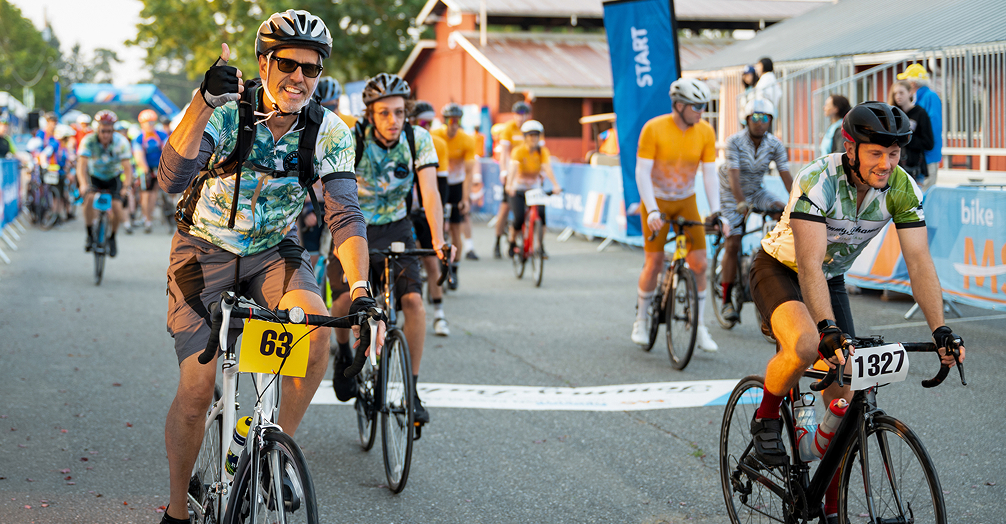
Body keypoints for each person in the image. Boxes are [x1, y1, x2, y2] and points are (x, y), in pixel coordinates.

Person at [155, 10, 382, 524]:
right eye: (288, 64)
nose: (299, 77)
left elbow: (344, 215)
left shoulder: (330, 132)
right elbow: (170, 178)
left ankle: (271, 453)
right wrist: (203, 101)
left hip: (273, 252)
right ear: (263, 63)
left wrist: (363, 290)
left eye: (312, 68)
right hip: (202, 250)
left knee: (317, 330)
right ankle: (175, 511)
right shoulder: (226, 112)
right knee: (197, 387)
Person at [746, 102, 965, 524]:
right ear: (852, 149)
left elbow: (919, 262)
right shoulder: (817, 180)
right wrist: (828, 329)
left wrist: (941, 330)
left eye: (894, 154)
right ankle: (767, 413)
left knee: (844, 401)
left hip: (830, 278)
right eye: (876, 153)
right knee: (809, 344)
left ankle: (830, 508)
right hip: (781, 268)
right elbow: (808, 264)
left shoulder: (902, 188)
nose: (886, 164)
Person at [325, 73, 454, 427]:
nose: (393, 121)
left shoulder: (418, 139)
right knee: (343, 302)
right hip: (355, 225)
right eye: (384, 113)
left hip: (398, 226)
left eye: (399, 112)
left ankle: (411, 389)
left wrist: (439, 239)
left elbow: (430, 193)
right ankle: (343, 356)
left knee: (413, 302)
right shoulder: (353, 138)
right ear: (370, 113)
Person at [630, 78, 722, 352]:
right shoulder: (653, 128)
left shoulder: (705, 131)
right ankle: (641, 321)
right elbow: (642, 172)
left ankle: (700, 326)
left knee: (701, 265)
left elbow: (708, 174)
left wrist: (716, 211)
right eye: (696, 106)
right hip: (656, 201)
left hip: (685, 201)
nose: (701, 111)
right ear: (679, 105)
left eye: (704, 106)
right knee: (654, 263)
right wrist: (652, 209)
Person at [718, 99, 792, 322]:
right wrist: (741, 203)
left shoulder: (775, 144)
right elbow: (733, 175)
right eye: (755, 118)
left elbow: (786, 174)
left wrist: (799, 200)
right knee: (734, 241)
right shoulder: (734, 142)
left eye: (765, 118)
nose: (760, 123)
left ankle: (770, 259)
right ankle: (726, 299)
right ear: (747, 119)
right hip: (732, 192)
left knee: (782, 209)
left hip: (756, 190)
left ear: (771, 120)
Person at [411, 100, 452, 336]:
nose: (426, 128)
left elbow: (441, 186)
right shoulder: (403, 141)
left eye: (430, 123)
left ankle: (439, 314)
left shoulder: (438, 144)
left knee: (431, 260)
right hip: (405, 210)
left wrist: (440, 217)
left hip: (425, 209)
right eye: (422, 123)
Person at [77, 110, 133, 257]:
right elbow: (81, 166)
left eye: (109, 131)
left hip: (113, 177)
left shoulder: (121, 142)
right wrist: (83, 184)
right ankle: (89, 233)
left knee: (116, 206)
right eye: (103, 131)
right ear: (97, 129)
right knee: (88, 199)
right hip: (94, 176)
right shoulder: (88, 140)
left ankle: (112, 237)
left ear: (113, 130)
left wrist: (126, 187)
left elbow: (127, 168)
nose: (106, 135)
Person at [432, 103, 480, 268]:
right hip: (440, 181)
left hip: (457, 185)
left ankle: (455, 266)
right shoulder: (434, 135)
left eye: (457, 121)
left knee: (455, 228)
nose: (453, 125)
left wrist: (465, 198)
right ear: (444, 121)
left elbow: (468, 173)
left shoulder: (467, 140)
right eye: (450, 120)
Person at [505, 119, 562, 255]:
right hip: (518, 188)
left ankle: (540, 246)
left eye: (536, 135)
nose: (533, 138)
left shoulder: (543, 152)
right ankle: (512, 241)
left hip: (535, 189)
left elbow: (547, 168)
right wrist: (509, 184)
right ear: (525, 137)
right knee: (518, 218)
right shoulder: (518, 151)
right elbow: (513, 167)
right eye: (530, 135)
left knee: (541, 216)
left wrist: (555, 185)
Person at [492, 101, 531, 258]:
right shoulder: (509, 128)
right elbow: (504, 153)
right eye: (518, 115)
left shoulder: (531, 128)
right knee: (505, 208)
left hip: (528, 175)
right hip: (512, 174)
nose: (521, 118)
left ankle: (536, 244)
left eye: (524, 115)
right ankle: (497, 241)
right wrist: (504, 172)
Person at [897, 63, 942, 190]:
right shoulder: (918, 98)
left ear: (913, 83)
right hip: (919, 156)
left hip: (928, 156)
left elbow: (933, 127)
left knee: (925, 194)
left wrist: (922, 144)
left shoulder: (929, 97)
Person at [889, 80, 934, 185]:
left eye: (901, 92)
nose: (898, 96)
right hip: (895, 168)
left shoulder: (920, 113)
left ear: (910, 92)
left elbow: (928, 143)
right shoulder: (893, 114)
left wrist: (906, 138)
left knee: (915, 200)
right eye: (895, 93)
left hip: (915, 168)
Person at [132, 109, 169, 233]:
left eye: (152, 122)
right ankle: (146, 217)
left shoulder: (161, 135)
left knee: (153, 193)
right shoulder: (139, 137)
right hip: (145, 168)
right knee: (145, 194)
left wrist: (162, 168)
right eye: (147, 122)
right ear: (142, 124)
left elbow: (166, 151)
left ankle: (149, 218)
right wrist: (146, 170)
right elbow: (138, 156)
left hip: (158, 167)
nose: (150, 125)